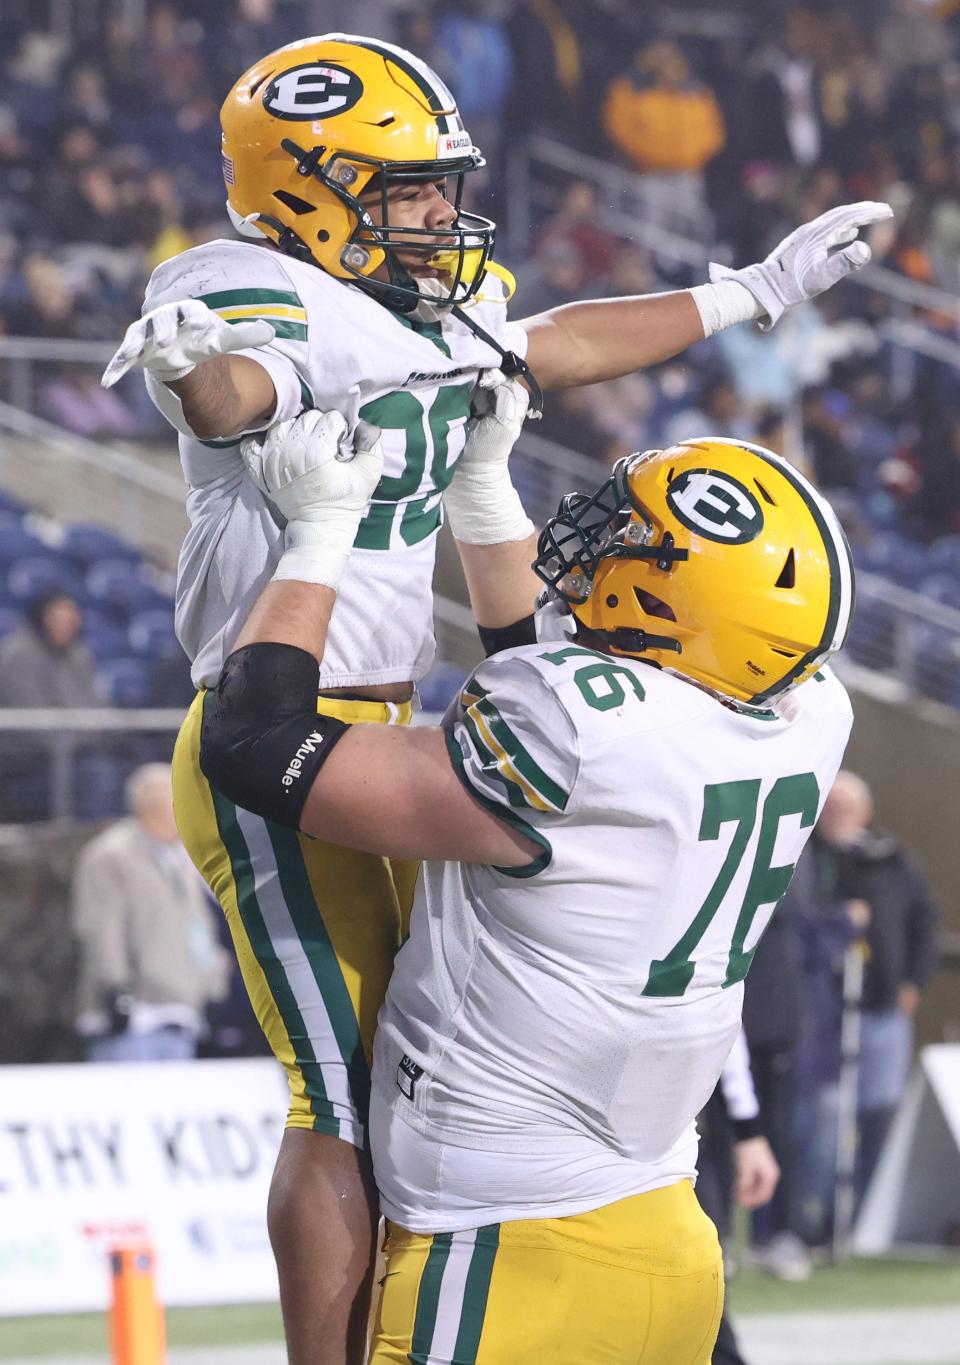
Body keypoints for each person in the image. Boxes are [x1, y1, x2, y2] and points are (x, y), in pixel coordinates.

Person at [100, 31, 887, 1364]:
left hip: (390, 719)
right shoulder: (239, 285)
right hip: (274, 724)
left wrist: (750, 293)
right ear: (304, 185)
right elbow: (238, 395)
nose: (435, 217)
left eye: (436, 188)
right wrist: (188, 372)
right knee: (338, 1096)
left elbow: (555, 344)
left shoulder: (419, 310)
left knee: (425, 1062)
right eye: (405, 191)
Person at [196, 394, 855, 1362]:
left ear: (681, 605)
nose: (592, 546)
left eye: (633, 546)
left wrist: (321, 532)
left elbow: (258, 746)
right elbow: (574, 709)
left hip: (513, 1251)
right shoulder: (809, 713)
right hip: (669, 1238)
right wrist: (484, 490)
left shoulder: (573, 733)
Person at [808, 771, 939, 1206]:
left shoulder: (893, 859)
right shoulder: (809, 857)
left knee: (879, 1112)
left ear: (865, 811)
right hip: (826, 1013)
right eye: (832, 807)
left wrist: (913, 982)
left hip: (883, 1010)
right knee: (824, 1118)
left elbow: (925, 923)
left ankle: (867, 1211)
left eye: (847, 808)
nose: (839, 816)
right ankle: (818, 1215)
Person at [72, 763, 230, 1061]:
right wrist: (116, 991)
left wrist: (214, 982)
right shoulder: (110, 856)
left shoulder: (183, 858)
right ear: (153, 808)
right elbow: (101, 929)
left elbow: (198, 925)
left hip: (182, 1013)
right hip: (133, 1019)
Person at [0, 587, 103, 822]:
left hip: (78, 752)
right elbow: (34, 724)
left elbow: (99, 710)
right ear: (42, 618)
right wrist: (81, 736)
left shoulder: (79, 654)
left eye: (71, 617)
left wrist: (85, 736)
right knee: (95, 774)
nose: (66, 624)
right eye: (58, 617)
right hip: (27, 762)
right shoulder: (19, 655)